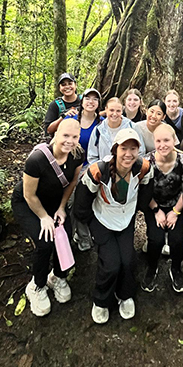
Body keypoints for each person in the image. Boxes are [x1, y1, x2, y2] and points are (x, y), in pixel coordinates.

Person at [72, 129, 154, 324]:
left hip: (126, 220)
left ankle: (125, 295)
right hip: (101, 219)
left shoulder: (143, 168)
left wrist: (139, 209)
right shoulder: (97, 171)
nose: (128, 154)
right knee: (110, 264)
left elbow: (145, 193)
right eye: (124, 148)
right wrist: (91, 224)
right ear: (115, 149)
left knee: (128, 260)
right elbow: (81, 203)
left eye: (133, 149)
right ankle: (101, 300)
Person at [11, 119, 84, 316]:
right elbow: (28, 195)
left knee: (65, 235)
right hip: (28, 204)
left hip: (54, 203)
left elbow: (72, 183)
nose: (69, 141)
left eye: (74, 137)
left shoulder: (78, 155)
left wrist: (61, 208)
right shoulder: (37, 160)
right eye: (65, 136)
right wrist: (43, 217)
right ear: (56, 134)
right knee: (45, 242)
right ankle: (37, 285)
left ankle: (58, 277)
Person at [142, 124, 183, 293]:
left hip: (177, 205)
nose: (162, 145)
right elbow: (143, 190)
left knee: (177, 240)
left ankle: (176, 269)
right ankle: (151, 267)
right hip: (154, 204)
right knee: (156, 239)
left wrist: (176, 212)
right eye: (158, 141)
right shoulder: (147, 162)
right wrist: (156, 211)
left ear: (174, 140)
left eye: (166, 140)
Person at [64, 88, 103, 252]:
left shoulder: (101, 123)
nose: (91, 101)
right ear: (82, 101)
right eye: (88, 98)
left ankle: (84, 236)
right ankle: (68, 236)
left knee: (79, 199)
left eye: (95, 99)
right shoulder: (72, 118)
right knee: (70, 201)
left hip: (89, 167)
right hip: (69, 166)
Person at [87, 97, 145, 164]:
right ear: (106, 110)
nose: (114, 114)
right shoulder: (98, 130)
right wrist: (100, 169)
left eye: (118, 111)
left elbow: (141, 152)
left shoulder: (132, 127)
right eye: (111, 110)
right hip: (104, 171)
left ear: (122, 111)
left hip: (127, 170)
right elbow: (92, 156)